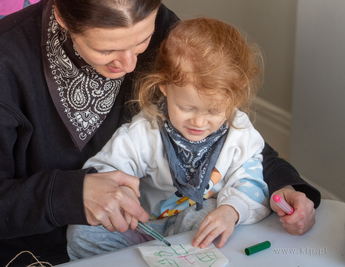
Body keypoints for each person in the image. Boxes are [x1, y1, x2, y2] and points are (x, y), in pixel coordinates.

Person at [0, 0, 320, 266]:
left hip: (158, 230)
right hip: (43, 248)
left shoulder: (164, 34)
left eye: (140, 43)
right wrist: (69, 194)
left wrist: (289, 186)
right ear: (61, 14)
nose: (129, 65)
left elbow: (228, 135)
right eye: (107, 49)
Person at [67, 17, 272, 259]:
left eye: (213, 111)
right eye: (186, 108)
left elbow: (253, 184)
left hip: (195, 228)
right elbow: (106, 172)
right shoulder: (146, 130)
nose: (198, 122)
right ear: (164, 86)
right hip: (140, 227)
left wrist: (231, 210)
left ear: (235, 99)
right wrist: (123, 195)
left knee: (209, 215)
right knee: (82, 231)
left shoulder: (240, 134)